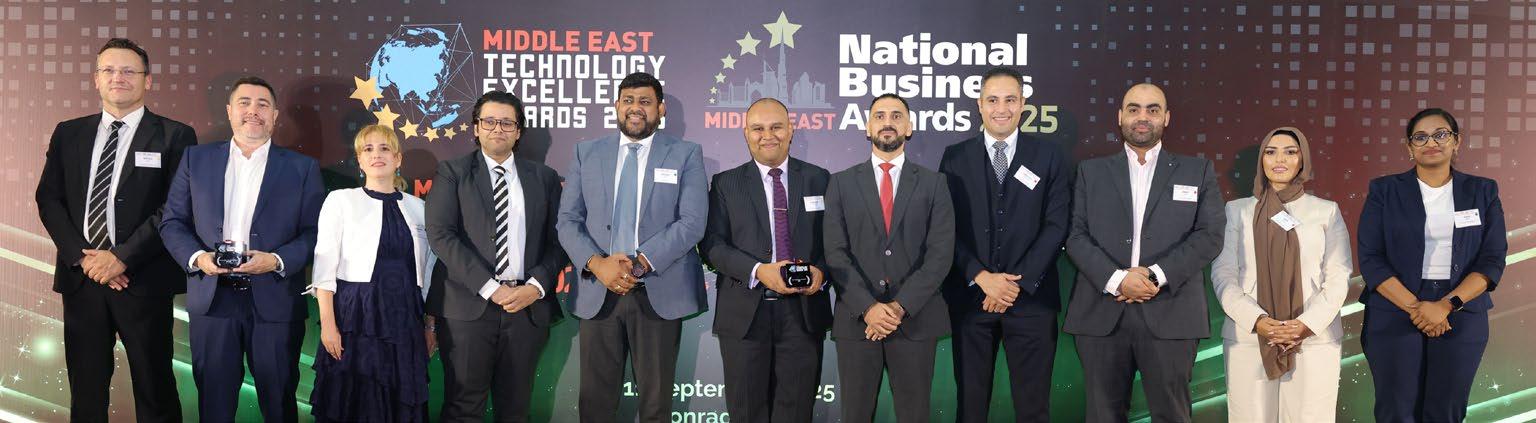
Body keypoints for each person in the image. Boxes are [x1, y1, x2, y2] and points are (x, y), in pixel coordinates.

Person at [34, 38, 194, 423]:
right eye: (108, 70)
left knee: (155, 388)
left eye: (128, 71)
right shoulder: (68, 132)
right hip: (83, 280)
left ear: (147, 80)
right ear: (96, 79)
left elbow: (175, 207)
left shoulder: (175, 135)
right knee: (86, 391)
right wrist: (86, 259)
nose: (117, 77)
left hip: (143, 279)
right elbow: (49, 199)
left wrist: (121, 257)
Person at [160, 76, 324, 422]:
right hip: (213, 298)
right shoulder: (196, 159)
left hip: (275, 300)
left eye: (263, 104)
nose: (253, 111)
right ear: (229, 111)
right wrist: (198, 258)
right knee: (214, 405)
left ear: (275, 115)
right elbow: (172, 222)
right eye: (244, 103)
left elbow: (315, 232)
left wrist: (277, 260)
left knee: (279, 403)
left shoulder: (302, 168)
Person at [1062, 83, 1224, 422]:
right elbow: (1075, 236)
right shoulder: (1091, 172)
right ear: (1120, 116)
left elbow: (1209, 236)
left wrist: (1153, 276)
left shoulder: (1197, 170)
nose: (1143, 117)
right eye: (1134, 109)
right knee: (1103, 416)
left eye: (1153, 110)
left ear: (1166, 118)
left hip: (1172, 313)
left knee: (1172, 415)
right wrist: (1118, 280)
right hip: (1101, 313)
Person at [556, 72, 707, 422]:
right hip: (599, 292)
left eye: (645, 101)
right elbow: (567, 220)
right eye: (628, 100)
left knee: (655, 406)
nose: (635, 108)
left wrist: (637, 266)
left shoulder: (685, 154)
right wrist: (598, 264)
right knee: (595, 405)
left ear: (661, 109)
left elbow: (692, 222)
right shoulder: (586, 153)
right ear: (616, 106)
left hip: (658, 292)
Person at [425, 91, 566, 422]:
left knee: (515, 409)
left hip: (526, 309)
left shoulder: (544, 178)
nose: (497, 129)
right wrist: (490, 288)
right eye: (489, 121)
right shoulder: (452, 172)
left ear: (518, 131)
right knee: (463, 408)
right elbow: (441, 235)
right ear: (476, 128)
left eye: (506, 123)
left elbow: (560, 240)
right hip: (467, 309)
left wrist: (536, 287)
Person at [938, 67, 1069, 423]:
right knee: (970, 409)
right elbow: (946, 228)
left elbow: (1057, 225)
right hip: (971, 301)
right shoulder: (954, 157)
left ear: (1023, 104)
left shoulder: (1050, 156)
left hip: (1032, 301)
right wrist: (981, 277)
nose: (1001, 108)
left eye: (1010, 99)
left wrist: (1013, 284)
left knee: (1033, 409)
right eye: (992, 100)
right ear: (979, 105)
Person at [1358, 108, 1506, 422]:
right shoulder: (1384, 190)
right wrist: (1418, 309)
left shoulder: (1482, 190)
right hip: (1394, 307)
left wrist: (1446, 305)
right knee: (1396, 411)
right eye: (1420, 137)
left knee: (1446, 412)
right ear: (1409, 147)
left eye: (1441, 134)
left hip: (1461, 309)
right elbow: (1371, 259)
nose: (1431, 143)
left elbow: (1492, 259)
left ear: (1457, 141)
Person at [824, 93, 955, 422]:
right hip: (858, 322)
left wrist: (898, 307)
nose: (887, 122)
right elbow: (835, 253)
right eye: (879, 116)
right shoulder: (840, 183)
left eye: (896, 116)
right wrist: (868, 308)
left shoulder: (934, 184)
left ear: (909, 127)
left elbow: (940, 254)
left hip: (915, 321)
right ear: (867, 128)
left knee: (915, 415)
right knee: (855, 415)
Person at [700, 97, 831, 423]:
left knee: (796, 413)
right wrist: (759, 271)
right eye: (758, 128)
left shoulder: (819, 178)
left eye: (776, 127)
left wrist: (822, 273)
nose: (767, 136)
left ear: (791, 130)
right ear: (746, 133)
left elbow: (836, 242)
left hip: (803, 316)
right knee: (746, 413)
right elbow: (712, 245)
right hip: (745, 316)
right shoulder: (725, 183)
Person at [1211, 127, 1351, 422]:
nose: (1280, 159)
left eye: (1290, 152)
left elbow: (1338, 276)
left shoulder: (1326, 211)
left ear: (1303, 160)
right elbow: (1224, 274)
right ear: (1261, 160)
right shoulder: (1236, 211)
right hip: (1249, 335)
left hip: (1313, 338)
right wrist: (1258, 321)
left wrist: (1304, 325)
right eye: (1271, 152)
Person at [308, 124, 437, 421]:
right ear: (359, 160)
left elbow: (430, 271)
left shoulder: (419, 208)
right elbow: (324, 267)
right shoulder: (341, 200)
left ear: (398, 158)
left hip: (405, 319)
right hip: (355, 318)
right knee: (354, 400)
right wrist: (328, 324)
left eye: (384, 148)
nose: (376, 155)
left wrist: (430, 326)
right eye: (368, 149)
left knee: (399, 399)